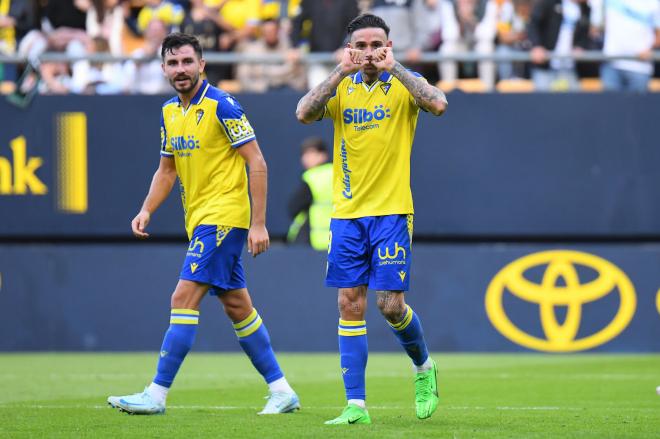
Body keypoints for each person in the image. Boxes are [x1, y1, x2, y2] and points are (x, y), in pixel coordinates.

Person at [107, 32, 299, 416]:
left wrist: (259, 224)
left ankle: (156, 394)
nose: (181, 70)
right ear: (163, 68)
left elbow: (257, 162)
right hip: (200, 220)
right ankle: (282, 390)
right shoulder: (169, 112)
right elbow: (167, 170)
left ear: (201, 65)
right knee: (236, 305)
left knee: (182, 298)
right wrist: (147, 209)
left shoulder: (223, 105)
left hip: (224, 217)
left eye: (187, 62)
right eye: (173, 63)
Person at [295, 13, 447, 425]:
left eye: (375, 44)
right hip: (347, 215)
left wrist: (393, 66)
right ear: (349, 48)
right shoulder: (341, 85)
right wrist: (336, 72)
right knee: (349, 304)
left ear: (388, 45)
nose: (368, 52)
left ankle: (423, 367)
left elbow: (438, 103)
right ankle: (356, 405)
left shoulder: (403, 82)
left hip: (392, 211)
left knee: (390, 305)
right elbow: (304, 113)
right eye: (359, 45)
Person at [286, 137, 332, 251]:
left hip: (314, 243)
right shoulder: (340, 173)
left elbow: (293, 207)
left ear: (323, 155)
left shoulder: (312, 177)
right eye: (304, 154)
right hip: (339, 240)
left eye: (311, 153)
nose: (305, 158)